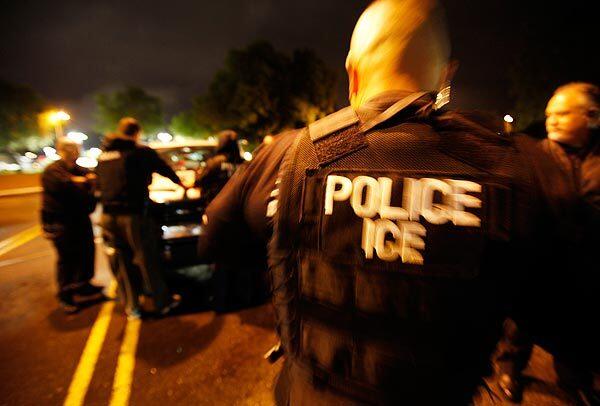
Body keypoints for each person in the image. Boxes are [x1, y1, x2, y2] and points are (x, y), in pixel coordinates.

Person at [267, 0, 557, 404]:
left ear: (353, 72)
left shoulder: (309, 152)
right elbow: (550, 309)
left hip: (312, 391)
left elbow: (282, 271)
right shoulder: (506, 166)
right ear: (445, 75)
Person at [496, 82, 599, 403]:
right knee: (522, 321)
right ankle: (510, 367)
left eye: (563, 113)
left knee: (579, 321)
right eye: (549, 113)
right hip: (539, 258)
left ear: (592, 116)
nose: (552, 120)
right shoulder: (534, 156)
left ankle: (575, 379)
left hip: (586, 262)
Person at [197, 130, 297, 311]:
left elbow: (199, 181)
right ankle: (248, 296)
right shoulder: (245, 163)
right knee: (243, 259)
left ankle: (223, 300)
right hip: (241, 216)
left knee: (223, 263)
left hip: (219, 214)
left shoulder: (213, 163)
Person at [96, 117, 183, 319]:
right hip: (133, 216)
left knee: (123, 262)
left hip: (108, 216)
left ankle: (132, 307)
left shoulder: (105, 155)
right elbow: (165, 169)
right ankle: (163, 302)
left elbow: (99, 184)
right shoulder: (140, 152)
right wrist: (182, 184)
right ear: (137, 133)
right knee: (147, 258)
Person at [41, 137, 103, 313]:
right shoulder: (53, 171)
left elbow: (94, 180)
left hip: (80, 219)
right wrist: (83, 182)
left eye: (76, 149)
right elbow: (64, 184)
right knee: (67, 259)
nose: (73, 153)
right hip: (60, 222)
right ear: (61, 151)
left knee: (86, 252)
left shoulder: (79, 170)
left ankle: (84, 285)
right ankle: (65, 294)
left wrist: (89, 181)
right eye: (69, 149)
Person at [195, 129, 244, 204]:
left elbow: (200, 181)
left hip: (218, 203)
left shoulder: (215, 162)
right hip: (238, 204)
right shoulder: (243, 164)